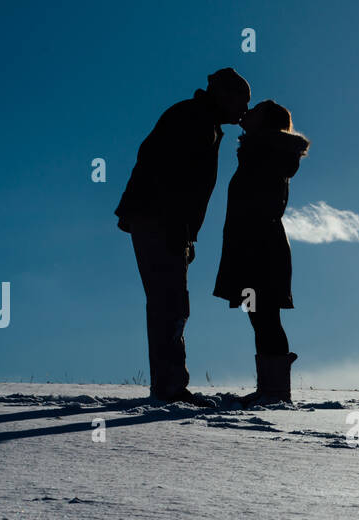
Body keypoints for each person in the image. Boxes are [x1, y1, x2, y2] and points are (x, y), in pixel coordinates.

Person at [116, 68, 251, 405]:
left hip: (160, 221)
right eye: (242, 100)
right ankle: (170, 387)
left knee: (169, 302)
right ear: (224, 94)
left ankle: (169, 384)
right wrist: (179, 230)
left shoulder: (200, 120)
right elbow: (171, 177)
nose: (244, 109)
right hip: (161, 221)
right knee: (170, 303)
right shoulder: (195, 120)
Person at [212, 100, 310, 407]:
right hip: (257, 245)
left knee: (264, 316)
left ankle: (275, 392)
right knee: (261, 315)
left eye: (254, 111)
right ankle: (272, 389)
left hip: (259, 248)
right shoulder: (263, 151)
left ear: (266, 122)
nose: (246, 113)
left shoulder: (264, 152)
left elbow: (259, 206)